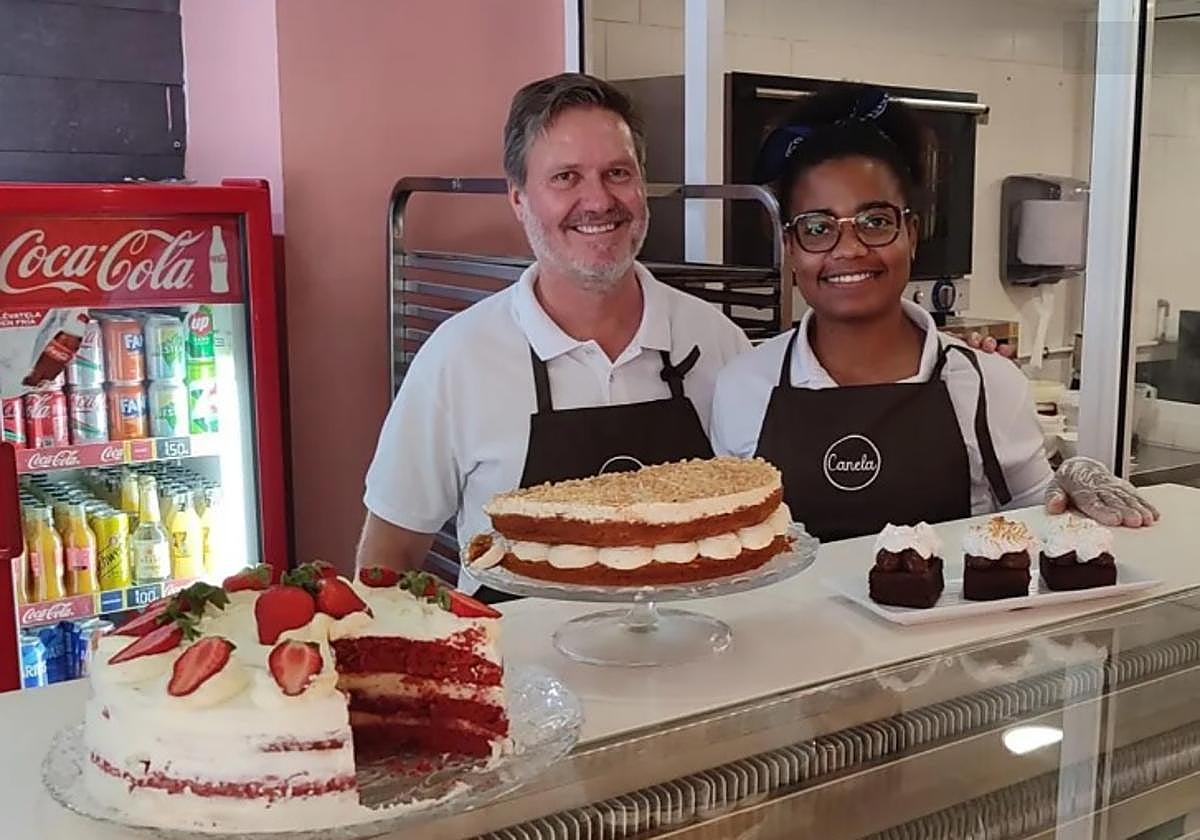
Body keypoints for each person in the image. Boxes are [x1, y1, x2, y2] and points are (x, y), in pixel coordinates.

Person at [358, 73, 749, 597]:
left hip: (695, 661)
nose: (598, 201)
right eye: (566, 177)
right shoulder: (458, 360)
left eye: (617, 173)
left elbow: (755, 528)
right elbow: (388, 559)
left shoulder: (717, 342)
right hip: (517, 669)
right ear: (518, 200)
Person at [711, 85, 1157, 542]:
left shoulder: (987, 383)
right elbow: (733, 548)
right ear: (790, 247)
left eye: (876, 221)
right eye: (818, 228)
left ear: (912, 231)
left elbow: (1040, 528)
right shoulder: (743, 387)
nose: (849, 249)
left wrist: (1068, 486)